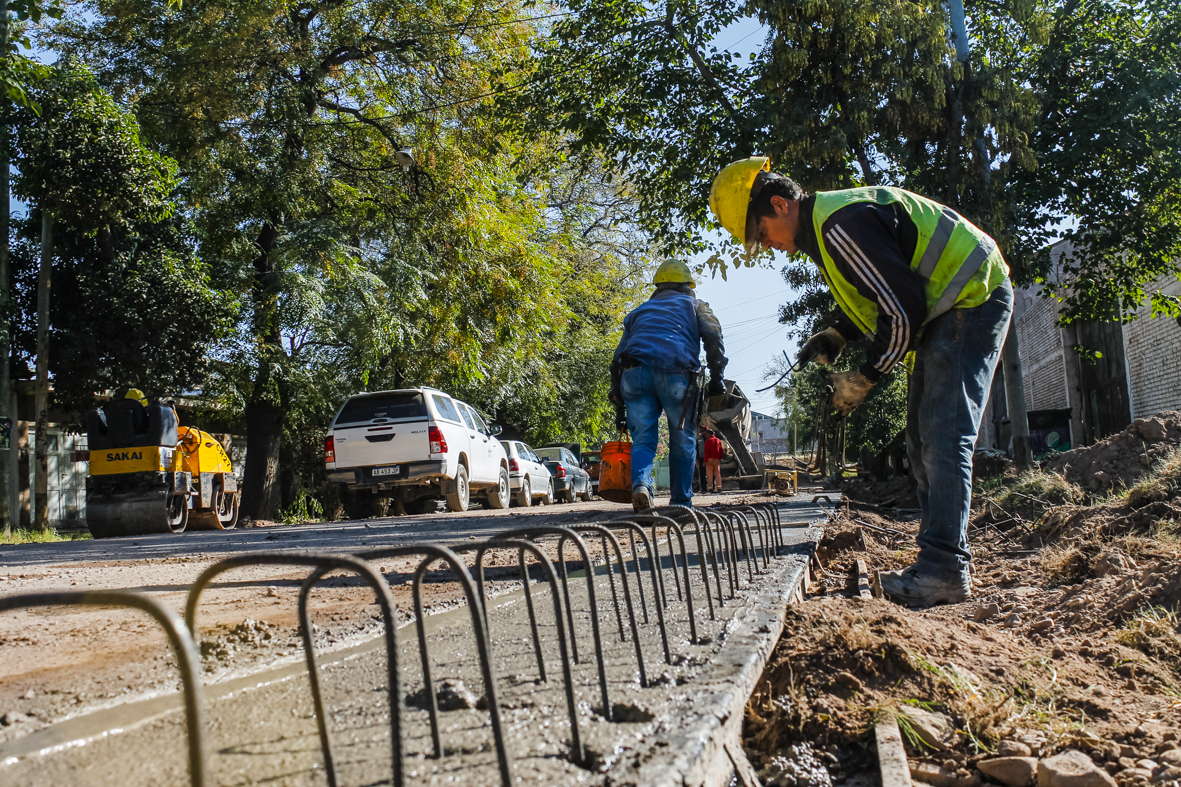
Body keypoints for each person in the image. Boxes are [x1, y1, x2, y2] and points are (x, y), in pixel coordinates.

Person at [710, 157, 1013, 607]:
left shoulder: (839, 226)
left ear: (779, 205)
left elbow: (902, 310)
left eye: (762, 233)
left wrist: (864, 378)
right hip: (950, 305)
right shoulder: (827, 228)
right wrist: (839, 334)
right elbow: (882, 288)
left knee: (944, 435)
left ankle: (945, 568)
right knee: (921, 440)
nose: (768, 246)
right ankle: (937, 559)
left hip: (971, 295)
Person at [610, 260, 728, 511]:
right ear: (687, 286)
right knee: (682, 438)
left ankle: (641, 484)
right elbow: (714, 337)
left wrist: (617, 396)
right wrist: (717, 378)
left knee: (642, 439)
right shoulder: (696, 305)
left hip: (634, 375)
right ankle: (681, 502)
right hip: (674, 374)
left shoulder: (638, 312)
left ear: (658, 287)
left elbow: (617, 359)